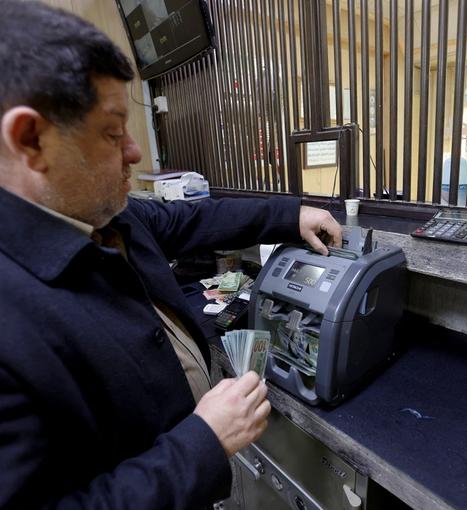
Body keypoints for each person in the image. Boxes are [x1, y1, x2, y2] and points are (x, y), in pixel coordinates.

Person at [0, 2, 342, 509]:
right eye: (112, 132)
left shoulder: (107, 215)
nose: (134, 152)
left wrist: (291, 214)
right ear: (31, 139)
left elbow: (193, 220)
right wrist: (203, 443)